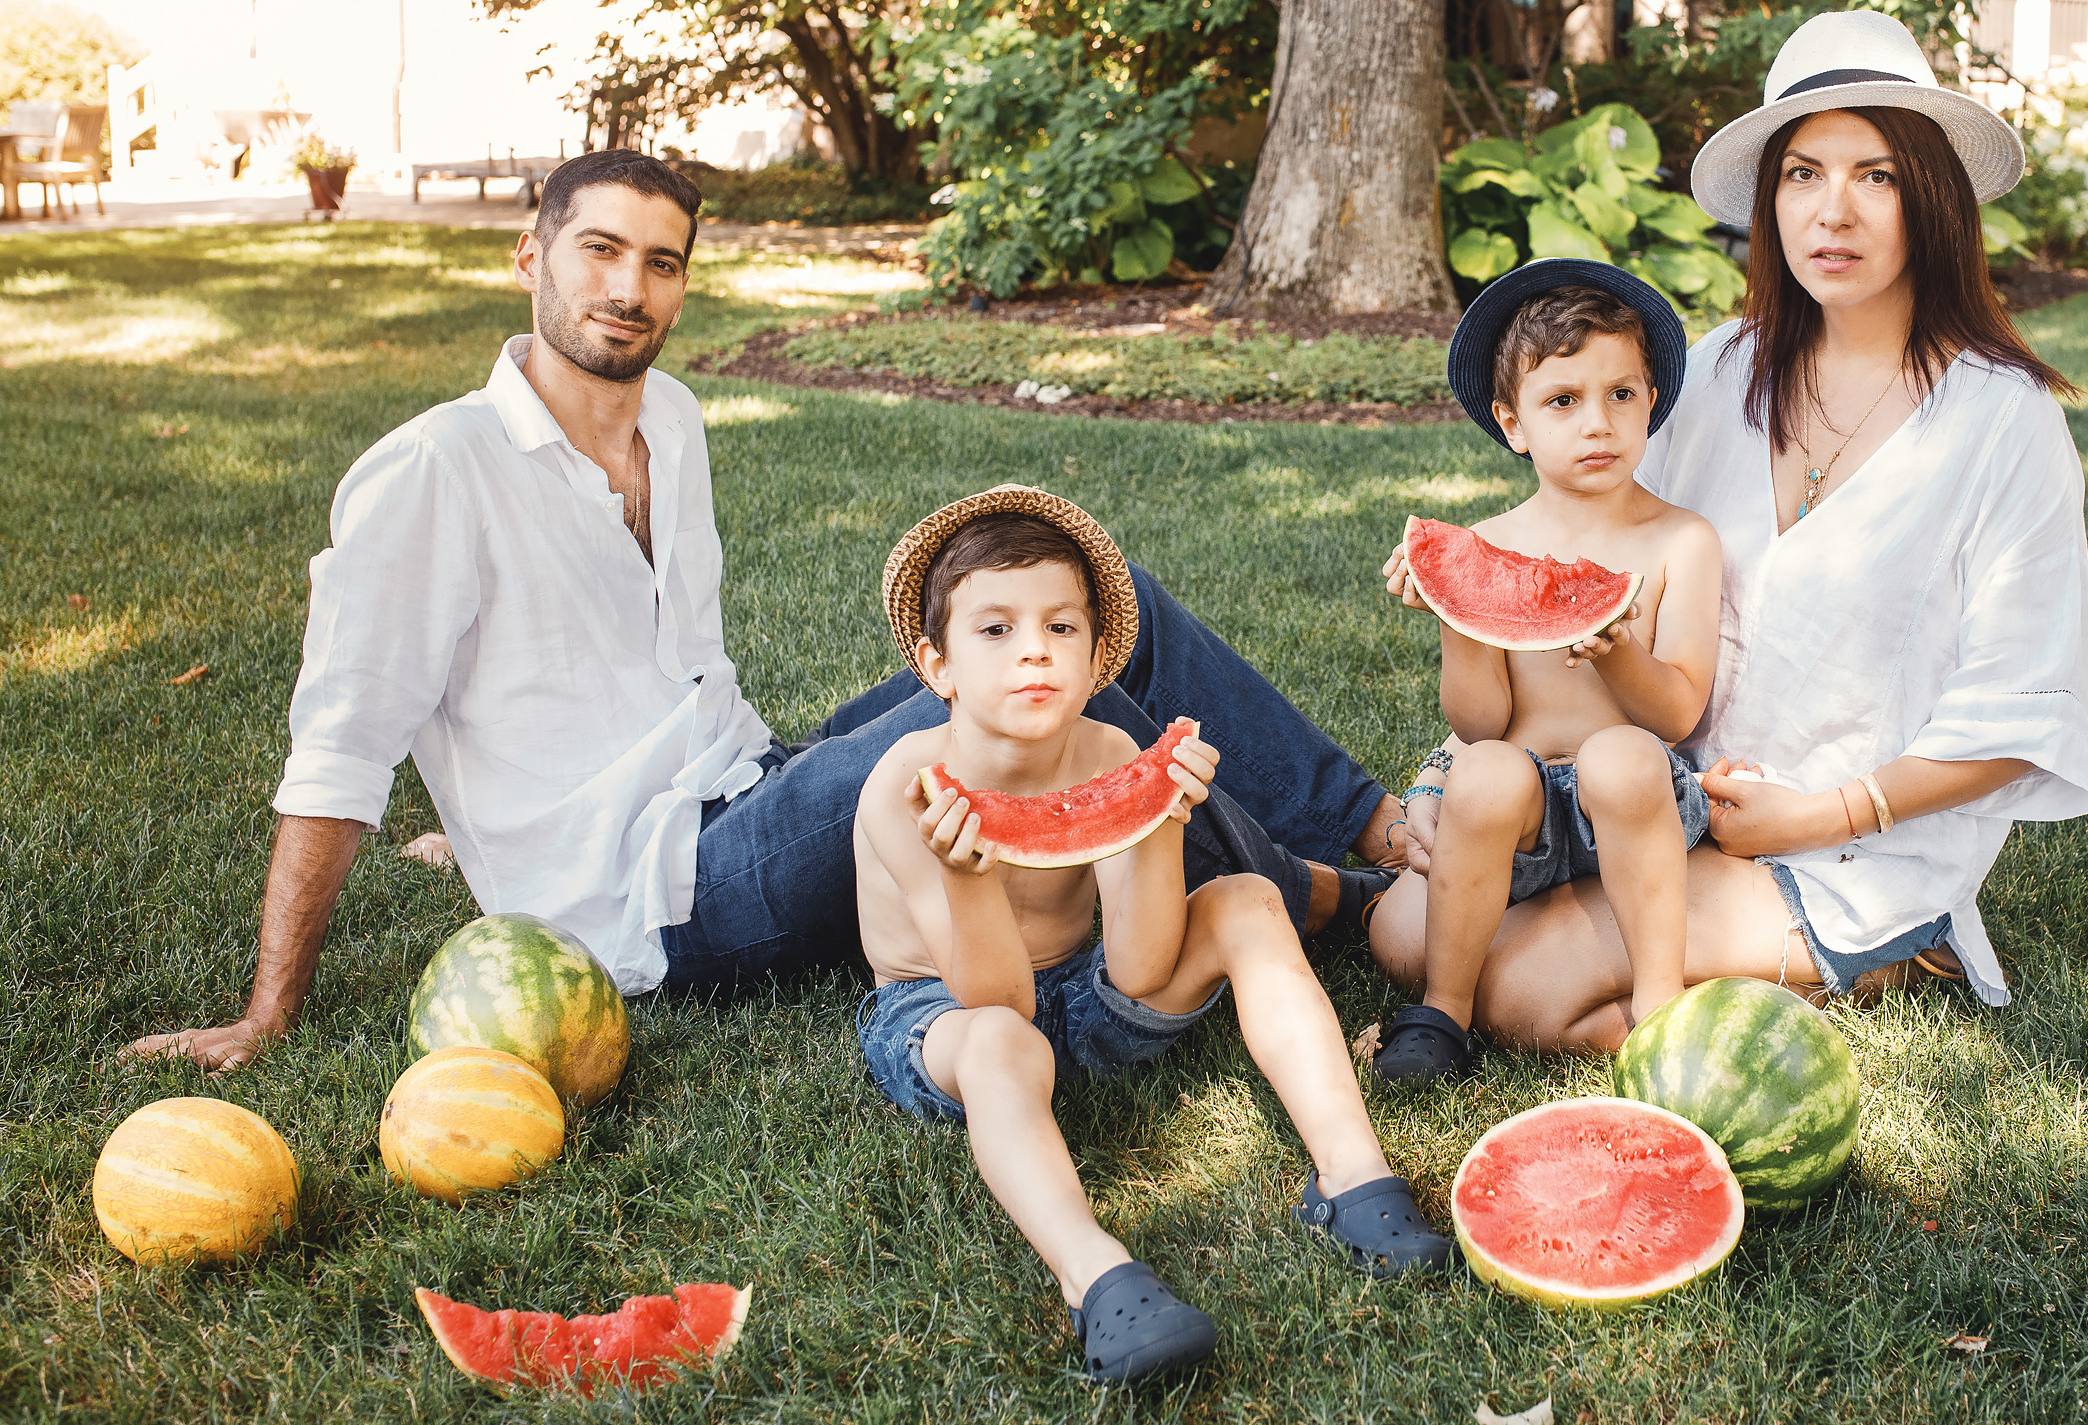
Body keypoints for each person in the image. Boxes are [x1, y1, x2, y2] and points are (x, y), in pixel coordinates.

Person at [123, 150, 1399, 1069]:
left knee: (1105, 620)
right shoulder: (430, 475)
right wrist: (266, 1013)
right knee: (1056, 708)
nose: (628, 288)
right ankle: (1333, 903)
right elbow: (340, 752)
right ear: (529, 257)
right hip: (665, 898)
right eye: (598, 252)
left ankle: (1386, 830)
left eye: (660, 264)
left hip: (748, 780)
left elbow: (616, 678)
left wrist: (484, 824)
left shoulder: (669, 422)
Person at [1373, 9, 2088, 1051]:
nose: (1832, 213)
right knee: (1405, 928)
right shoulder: (1712, 373)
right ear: (1770, 201)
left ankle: (1887, 949)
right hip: (1641, 801)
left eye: (1876, 176)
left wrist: (1823, 815)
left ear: (1930, 198)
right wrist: (1452, 777)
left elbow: (2020, 711)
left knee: (1520, 994)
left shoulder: (2002, 422)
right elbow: (1576, 576)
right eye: (1803, 174)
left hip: (1845, 846)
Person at [855, 489, 1454, 1385]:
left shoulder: (1104, 752)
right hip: (946, 1017)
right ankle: (1094, 1275)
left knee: (1249, 897)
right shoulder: (905, 787)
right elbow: (1001, 1002)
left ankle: (1352, 1174)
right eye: (995, 630)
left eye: (1061, 627)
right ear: (934, 663)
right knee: (1000, 1048)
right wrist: (967, 873)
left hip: (1082, 986)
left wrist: (1158, 822)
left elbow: (1137, 970)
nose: (1033, 650)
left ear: (1098, 655)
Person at [1365, 264, 1721, 1083]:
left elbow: (1675, 713)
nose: (1598, 423)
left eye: (1621, 395)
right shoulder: (1487, 544)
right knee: (1485, 772)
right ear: (1512, 422)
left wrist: (1620, 653)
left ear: (1651, 401)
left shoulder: (1682, 543)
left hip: (1630, 805)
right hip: (1514, 812)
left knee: (1621, 754)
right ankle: (1444, 1013)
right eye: (1563, 401)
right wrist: (1459, 621)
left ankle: (1660, 1006)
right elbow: (1481, 723)